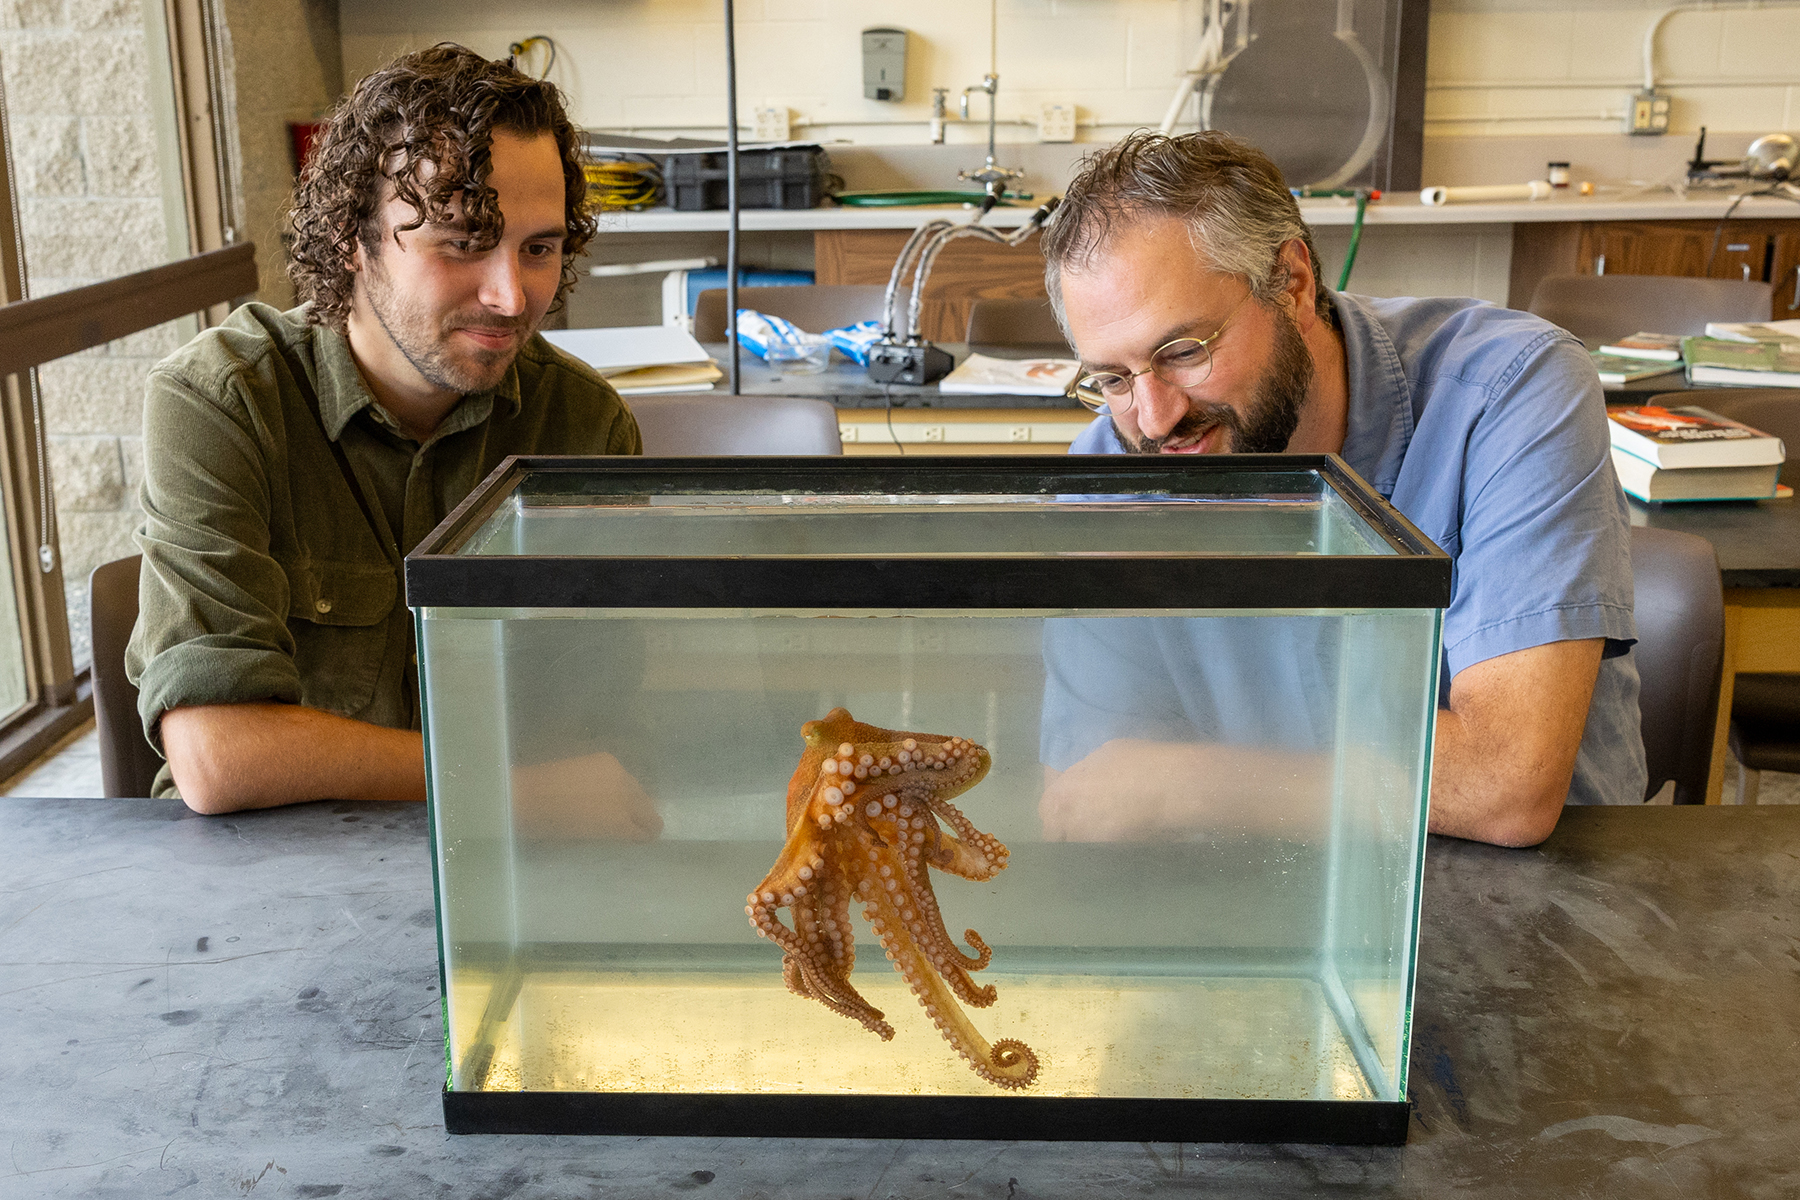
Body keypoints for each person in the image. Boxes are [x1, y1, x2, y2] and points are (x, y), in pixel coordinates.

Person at [1036, 131, 1645, 848]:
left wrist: (1180, 782)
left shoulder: (1509, 391)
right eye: (1111, 378)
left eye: (1183, 352)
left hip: (1528, 910)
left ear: (1292, 282)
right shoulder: (1110, 466)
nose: (1154, 417)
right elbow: (1087, 794)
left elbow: (1505, 786)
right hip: (1257, 890)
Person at [126, 46, 653, 826]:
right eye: (464, 241)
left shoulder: (584, 425)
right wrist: (521, 790)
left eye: (538, 248)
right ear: (353, 238)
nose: (512, 295)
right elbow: (216, 752)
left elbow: (607, 737)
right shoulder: (222, 402)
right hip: (271, 872)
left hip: (507, 866)